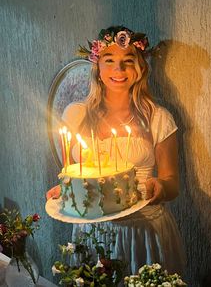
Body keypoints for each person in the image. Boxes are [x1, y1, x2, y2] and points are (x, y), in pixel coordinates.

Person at [47, 26, 185, 276]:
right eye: (109, 61)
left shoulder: (158, 118)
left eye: (128, 61)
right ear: (97, 68)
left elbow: (173, 183)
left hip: (143, 231)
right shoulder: (75, 114)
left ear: (141, 68)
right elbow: (73, 173)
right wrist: (67, 190)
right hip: (92, 230)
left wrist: (160, 187)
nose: (118, 70)